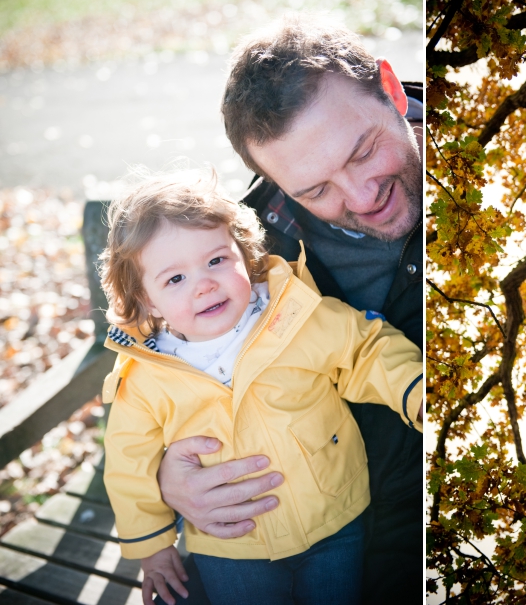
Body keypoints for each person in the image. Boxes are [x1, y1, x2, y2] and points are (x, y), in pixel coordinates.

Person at [152, 15, 424, 604]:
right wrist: (164, 476)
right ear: (274, 183)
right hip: (282, 522)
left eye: (363, 152)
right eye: (315, 190)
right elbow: (159, 371)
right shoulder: (242, 254)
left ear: (393, 89)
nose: (360, 198)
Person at [99, 172, 423, 605]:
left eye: (216, 260)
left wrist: (418, 390)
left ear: (244, 254)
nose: (204, 284)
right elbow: (128, 464)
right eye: (175, 279)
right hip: (232, 547)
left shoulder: (293, 316)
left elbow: (364, 349)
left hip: (333, 520)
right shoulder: (145, 377)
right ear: (147, 300)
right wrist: (154, 547)